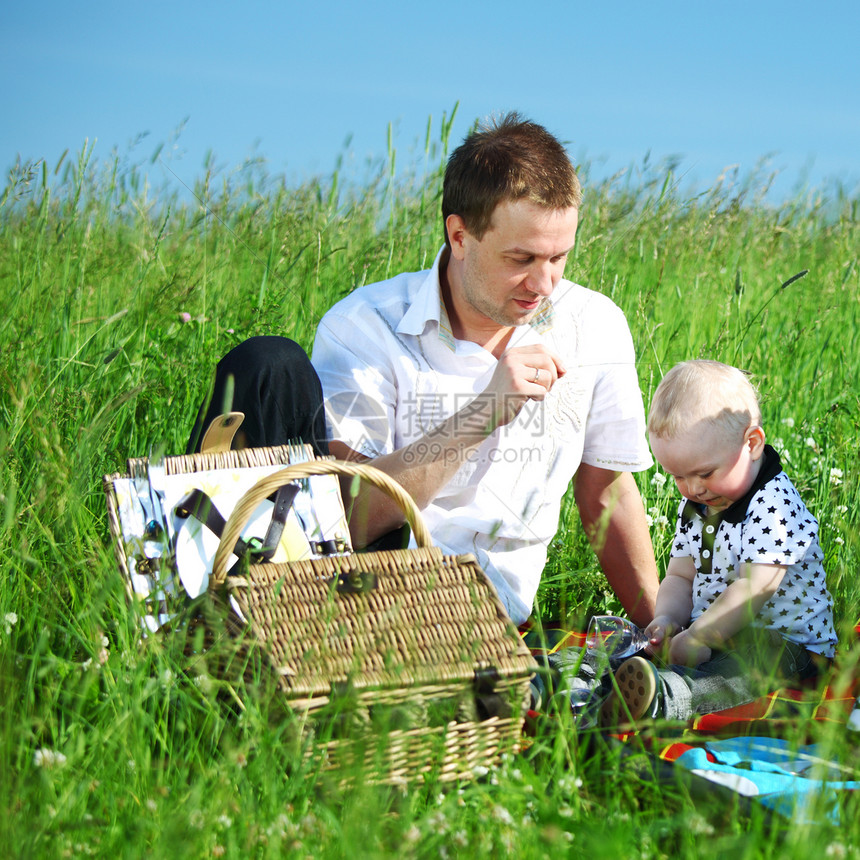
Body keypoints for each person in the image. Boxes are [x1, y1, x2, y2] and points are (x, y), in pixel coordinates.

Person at [188, 113, 659, 628]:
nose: (544, 283)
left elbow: (606, 493)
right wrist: (483, 414)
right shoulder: (366, 326)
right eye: (521, 258)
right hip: (367, 593)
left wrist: (662, 631)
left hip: (494, 621)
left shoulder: (595, 325)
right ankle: (204, 628)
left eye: (559, 257)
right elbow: (352, 518)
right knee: (264, 364)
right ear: (459, 235)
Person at [603, 359, 837, 724]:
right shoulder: (700, 503)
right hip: (713, 631)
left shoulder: (773, 504)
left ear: (752, 443)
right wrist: (667, 617)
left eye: (705, 473)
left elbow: (753, 589)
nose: (693, 488)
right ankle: (590, 682)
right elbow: (681, 576)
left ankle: (668, 697)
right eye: (678, 475)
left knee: (746, 667)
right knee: (629, 643)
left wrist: (698, 637)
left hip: (789, 646)